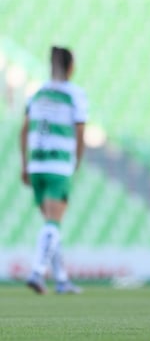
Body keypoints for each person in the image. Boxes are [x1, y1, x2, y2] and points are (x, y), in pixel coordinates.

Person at [20, 46, 88, 294]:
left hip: (36, 163)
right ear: (70, 67)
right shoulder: (75, 95)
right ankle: (37, 272)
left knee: (51, 224)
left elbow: (24, 129)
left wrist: (24, 163)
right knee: (53, 223)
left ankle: (61, 279)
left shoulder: (37, 93)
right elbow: (80, 131)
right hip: (58, 165)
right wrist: (77, 161)